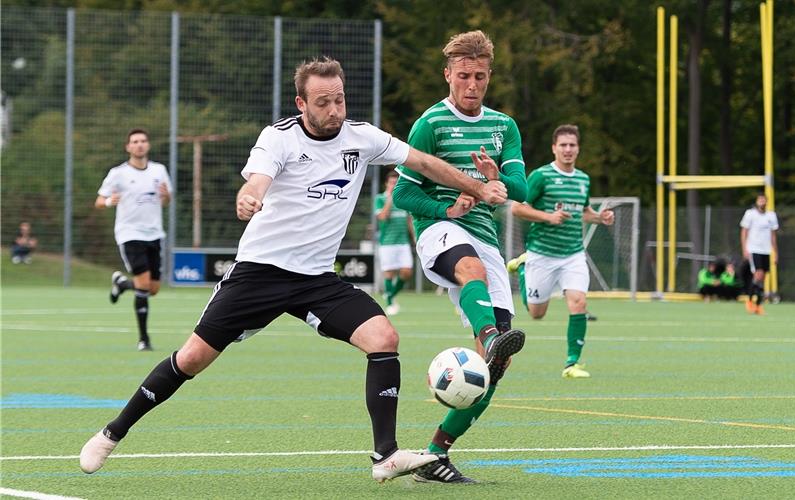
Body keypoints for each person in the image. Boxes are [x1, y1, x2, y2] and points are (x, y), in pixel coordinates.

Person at [79, 57, 509, 483]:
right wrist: (250, 195)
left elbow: (425, 164)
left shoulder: (362, 137)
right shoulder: (279, 138)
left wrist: (477, 187)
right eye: (323, 102)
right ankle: (113, 432)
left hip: (318, 280)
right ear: (301, 103)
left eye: (340, 99)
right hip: (259, 273)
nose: (335, 110)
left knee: (384, 338)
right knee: (192, 358)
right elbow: (258, 180)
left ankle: (386, 455)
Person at [393, 30, 528, 484]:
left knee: (496, 370)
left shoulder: (503, 126)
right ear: (448, 74)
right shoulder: (430, 124)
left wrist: (498, 180)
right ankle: (488, 334)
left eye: (481, 77)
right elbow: (405, 194)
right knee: (469, 268)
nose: (472, 86)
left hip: (484, 236)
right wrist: (446, 208)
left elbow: (521, 192)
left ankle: (435, 455)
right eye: (464, 76)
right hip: (441, 229)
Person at [509, 124, 614, 379]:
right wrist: (548, 217)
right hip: (542, 254)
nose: (568, 150)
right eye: (563, 145)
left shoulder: (583, 179)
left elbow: (584, 212)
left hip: (573, 255)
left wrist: (600, 218)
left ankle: (571, 363)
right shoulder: (541, 176)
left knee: (579, 303)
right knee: (537, 313)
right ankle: (522, 268)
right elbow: (517, 208)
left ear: (578, 149)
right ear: (554, 148)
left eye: (572, 145)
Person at [95, 128, 172, 352]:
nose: (139, 144)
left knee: (153, 288)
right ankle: (144, 339)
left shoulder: (159, 170)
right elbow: (99, 201)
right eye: (135, 141)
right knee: (144, 285)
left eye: (143, 141)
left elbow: (166, 200)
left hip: (155, 234)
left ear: (148, 145)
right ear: (128, 147)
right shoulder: (118, 173)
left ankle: (121, 284)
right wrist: (110, 201)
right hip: (129, 234)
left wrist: (166, 196)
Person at [374, 169, 414, 315]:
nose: (394, 185)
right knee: (389, 273)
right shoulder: (380, 199)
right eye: (391, 183)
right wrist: (390, 199)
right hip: (387, 242)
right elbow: (383, 217)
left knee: (407, 271)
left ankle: (390, 294)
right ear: (386, 184)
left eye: (396, 183)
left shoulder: (403, 200)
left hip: (403, 242)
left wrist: (414, 236)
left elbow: (409, 219)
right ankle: (390, 303)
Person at [740, 193, 779, 315]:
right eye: (760, 200)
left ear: (767, 202)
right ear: (757, 201)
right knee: (758, 274)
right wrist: (745, 249)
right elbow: (744, 232)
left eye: (764, 200)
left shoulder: (771, 216)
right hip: (753, 249)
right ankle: (750, 301)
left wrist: (775, 252)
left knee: (762, 278)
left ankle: (758, 305)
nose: (762, 202)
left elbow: (773, 236)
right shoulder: (750, 214)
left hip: (766, 250)